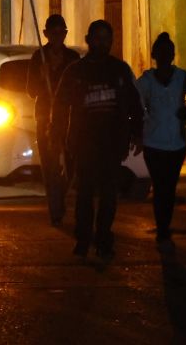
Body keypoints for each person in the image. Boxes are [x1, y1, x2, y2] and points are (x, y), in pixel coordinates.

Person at [50, 19, 143, 260]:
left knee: (109, 195)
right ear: (88, 40)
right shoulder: (76, 71)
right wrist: (56, 134)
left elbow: (134, 103)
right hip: (84, 143)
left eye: (106, 39)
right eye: (97, 38)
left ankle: (103, 238)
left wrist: (137, 133)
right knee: (85, 192)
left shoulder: (119, 70)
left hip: (113, 142)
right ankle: (83, 238)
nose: (102, 43)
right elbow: (60, 105)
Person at [136, 32, 186, 254]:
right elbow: (134, 103)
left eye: (169, 53)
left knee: (169, 186)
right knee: (161, 186)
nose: (165, 57)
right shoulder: (146, 81)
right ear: (154, 55)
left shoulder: (183, 78)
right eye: (162, 53)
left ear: (173, 55)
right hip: (153, 143)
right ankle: (163, 228)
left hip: (176, 144)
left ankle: (164, 226)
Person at [27, 13, 80, 226]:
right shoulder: (38, 58)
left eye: (61, 33)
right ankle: (56, 208)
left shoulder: (73, 59)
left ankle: (62, 195)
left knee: (71, 164)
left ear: (65, 34)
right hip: (45, 117)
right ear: (46, 34)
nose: (58, 37)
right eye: (54, 33)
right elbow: (31, 90)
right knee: (50, 166)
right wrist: (43, 76)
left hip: (68, 118)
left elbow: (79, 89)